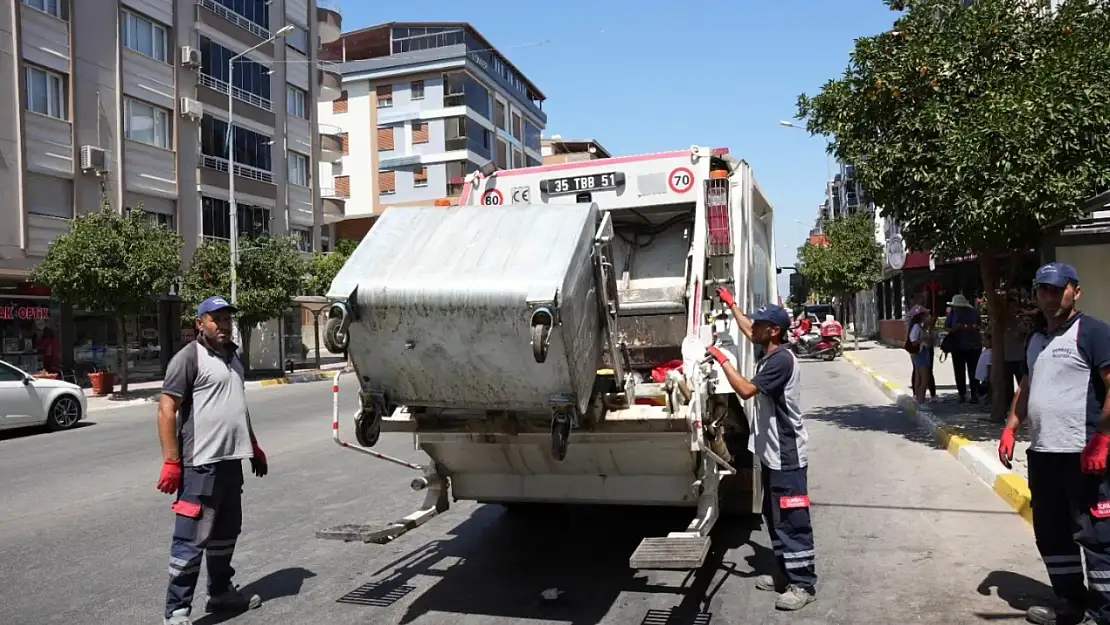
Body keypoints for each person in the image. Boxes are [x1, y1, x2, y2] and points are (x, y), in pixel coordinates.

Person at [997, 263, 1110, 625]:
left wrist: (1103, 439)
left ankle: (1104, 612)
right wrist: (1012, 427)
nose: (1049, 296)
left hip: (1084, 454)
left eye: (1057, 289)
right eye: (1043, 289)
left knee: (1097, 538)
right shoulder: (1036, 339)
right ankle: (1071, 603)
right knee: (1052, 534)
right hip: (1044, 455)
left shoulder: (1093, 332)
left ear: (1075, 291)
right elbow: (1028, 387)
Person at [157, 296, 269, 625]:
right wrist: (172, 461)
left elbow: (238, 405)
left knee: (225, 533)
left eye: (226, 319)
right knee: (190, 540)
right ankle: (176, 612)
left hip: (231, 461)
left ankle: (220, 593)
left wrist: (253, 444)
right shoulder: (188, 358)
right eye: (215, 318)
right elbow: (167, 409)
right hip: (200, 464)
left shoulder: (234, 358)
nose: (222, 324)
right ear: (200, 323)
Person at [709, 287, 817, 612]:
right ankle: (785, 574)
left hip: (787, 456)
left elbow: (744, 391)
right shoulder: (768, 351)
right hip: (772, 454)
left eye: (759, 326)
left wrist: (721, 358)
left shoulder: (781, 361)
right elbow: (745, 326)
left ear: (774, 331)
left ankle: (803, 584)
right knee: (773, 516)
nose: (751, 328)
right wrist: (731, 305)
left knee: (792, 518)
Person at [945, 294, 983, 403]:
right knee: (959, 371)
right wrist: (954, 329)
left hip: (973, 346)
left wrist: (968, 327)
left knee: (973, 371)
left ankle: (974, 394)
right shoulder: (952, 313)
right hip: (957, 347)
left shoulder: (973, 312)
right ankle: (962, 394)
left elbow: (980, 325)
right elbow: (947, 326)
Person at [908, 308, 936, 409]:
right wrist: (923, 338)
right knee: (924, 377)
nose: (928, 317)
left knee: (920, 377)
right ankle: (921, 400)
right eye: (926, 316)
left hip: (923, 352)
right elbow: (913, 341)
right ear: (921, 317)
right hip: (920, 354)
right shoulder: (916, 327)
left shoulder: (922, 327)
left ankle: (919, 399)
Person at [976, 334, 993, 405]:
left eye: (985, 340)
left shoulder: (990, 353)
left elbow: (989, 365)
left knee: (987, 389)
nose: (984, 342)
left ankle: (988, 400)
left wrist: (988, 376)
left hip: (985, 376)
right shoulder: (985, 351)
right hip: (982, 376)